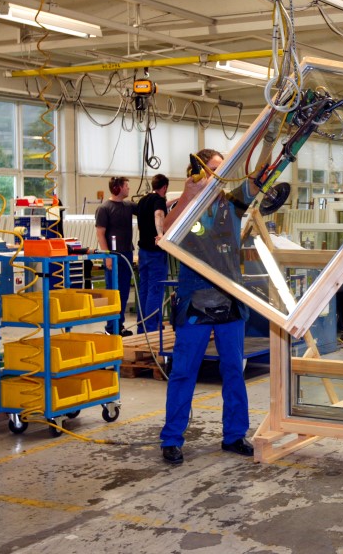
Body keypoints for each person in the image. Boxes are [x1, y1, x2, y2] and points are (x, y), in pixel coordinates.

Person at [159, 149, 254, 465]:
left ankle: (235, 435)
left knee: (234, 371)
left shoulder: (233, 203)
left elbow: (259, 179)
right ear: (198, 172)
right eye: (214, 168)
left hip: (230, 300)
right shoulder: (185, 205)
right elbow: (166, 231)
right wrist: (189, 194)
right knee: (183, 372)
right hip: (194, 301)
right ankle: (171, 439)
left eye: (223, 169)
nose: (219, 175)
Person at [96, 176, 136, 336]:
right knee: (113, 292)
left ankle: (119, 325)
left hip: (127, 253)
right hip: (113, 256)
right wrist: (107, 256)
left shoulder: (129, 206)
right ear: (117, 188)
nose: (128, 188)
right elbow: (100, 234)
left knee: (124, 291)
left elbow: (147, 209)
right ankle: (111, 328)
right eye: (126, 186)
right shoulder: (104, 208)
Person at [136, 174, 169, 334]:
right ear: (165, 187)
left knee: (144, 289)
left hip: (143, 251)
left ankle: (141, 327)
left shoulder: (143, 200)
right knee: (155, 290)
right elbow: (158, 214)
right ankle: (151, 328)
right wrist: (160, 234)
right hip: (155, 252)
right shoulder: (159, 201)